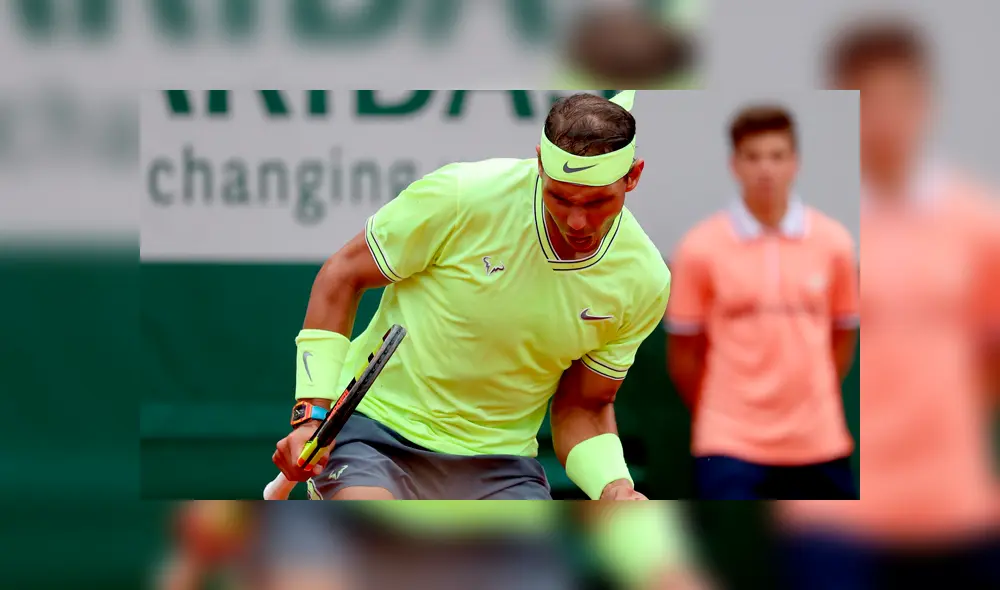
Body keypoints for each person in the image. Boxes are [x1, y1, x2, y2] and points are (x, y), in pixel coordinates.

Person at [271, 90, 671, 501]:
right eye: (560, 196)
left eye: (598, 201)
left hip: (499, 465)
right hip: (374, 433)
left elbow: (583, 407)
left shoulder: (643, 279)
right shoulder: (463, 195)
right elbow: (341, 276)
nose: (577, 221)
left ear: (633, 176)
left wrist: (613, 487)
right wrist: (311, 416)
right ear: (539, 163)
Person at [778, 18, 1000, 589]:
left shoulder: (977, 222)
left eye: (901, 99)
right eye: (867, 101)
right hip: (834, 516)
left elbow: (990, 354)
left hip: (959, 510)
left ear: (927, 102)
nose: (886, 119)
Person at [664, 104, 860, 500]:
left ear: (795, 163)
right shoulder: (699, 247)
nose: (765, 169)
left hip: (819, 441)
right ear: (734, 164)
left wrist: (809, 396)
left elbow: (842, 336)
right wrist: (726, 413)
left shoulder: (834, 242)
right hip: (729, 443)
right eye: (753, 157)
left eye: (777, 156)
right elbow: (683, 355)